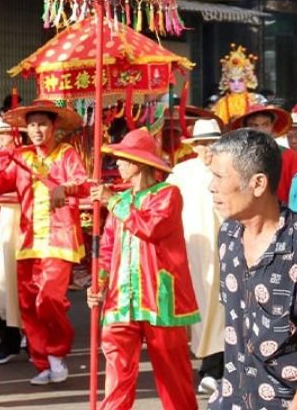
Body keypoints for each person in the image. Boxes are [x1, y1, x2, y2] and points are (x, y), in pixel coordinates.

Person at [208, 129, 297, 410]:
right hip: (234, 397)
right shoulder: (228, 236)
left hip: (291, 401)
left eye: (220, 177)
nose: (211, 186)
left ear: (257, 183)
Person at [88, 128, 200, 410]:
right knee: (116, 376)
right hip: (120, 300)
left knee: (173, 376)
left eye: (122, 160)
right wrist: (98, 285)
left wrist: (111, 201)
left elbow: (150, 227)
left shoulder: (168, 195)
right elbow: (107, 249)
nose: (118, 166)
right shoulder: (122, 201)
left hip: (159, 297)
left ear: (137, 163)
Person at [0, 99, 88, 385]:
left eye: (43, 124)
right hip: (27, 241)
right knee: (28, 304)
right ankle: (41, 361)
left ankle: (57, 352)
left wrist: (63, 186)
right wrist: (5, 157)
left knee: (50, 298)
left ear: (54, 126)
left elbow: (83, 182)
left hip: (60, 238)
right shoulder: (23, 158)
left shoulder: (67, 154)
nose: (37, 129)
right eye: (32, 125)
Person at [166, 119, 224, 396]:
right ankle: (199, 364)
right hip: (190, 248)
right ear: (195, 146)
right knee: (194, 306)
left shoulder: (231, 169)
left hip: (225, 248)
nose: (208, 148)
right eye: (202, 143)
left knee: (223, 307)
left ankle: (214, 367)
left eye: (213, 142)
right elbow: (164, 203)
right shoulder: (181, 171)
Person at [0, 118, 25, 365]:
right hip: (6, 226)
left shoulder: (28, 161)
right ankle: (8, 341)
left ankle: (36, 341)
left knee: (27, 285)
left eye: (4, 134)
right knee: (3, 283)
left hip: (30, 226)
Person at [231, 104, 297, 205]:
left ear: (272, 126)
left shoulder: (288, 155)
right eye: (254, 125)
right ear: (245, 128)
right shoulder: (235, 157)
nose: (260, 130)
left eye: (265, 124)